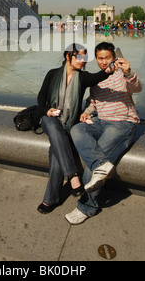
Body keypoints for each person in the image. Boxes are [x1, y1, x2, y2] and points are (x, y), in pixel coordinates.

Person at [66, 42, 142, 225]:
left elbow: (137, 88)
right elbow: (93, 102)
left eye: (107, 57)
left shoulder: (123, 74)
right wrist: (87, 111)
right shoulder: (98, 78)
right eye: (100, 58)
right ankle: (102, 166)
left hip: (122, 123)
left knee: (93, 164)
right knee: (77, 128)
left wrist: (129, 72)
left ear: (113, 57)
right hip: (100, 121)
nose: (103, 61)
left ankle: (87, 207)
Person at [37, 43, 113, 215]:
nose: (82, 60)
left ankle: (50, 199)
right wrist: (46, 111)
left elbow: (98, 77)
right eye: (78, 56)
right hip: (49, 119)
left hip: (69, 124)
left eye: (84, 57)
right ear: (67, 56)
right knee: (52, 124)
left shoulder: (83, 77)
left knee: (57, 150)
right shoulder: (52, 74)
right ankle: (72, 175)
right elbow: (41, 97)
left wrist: (111, 68)